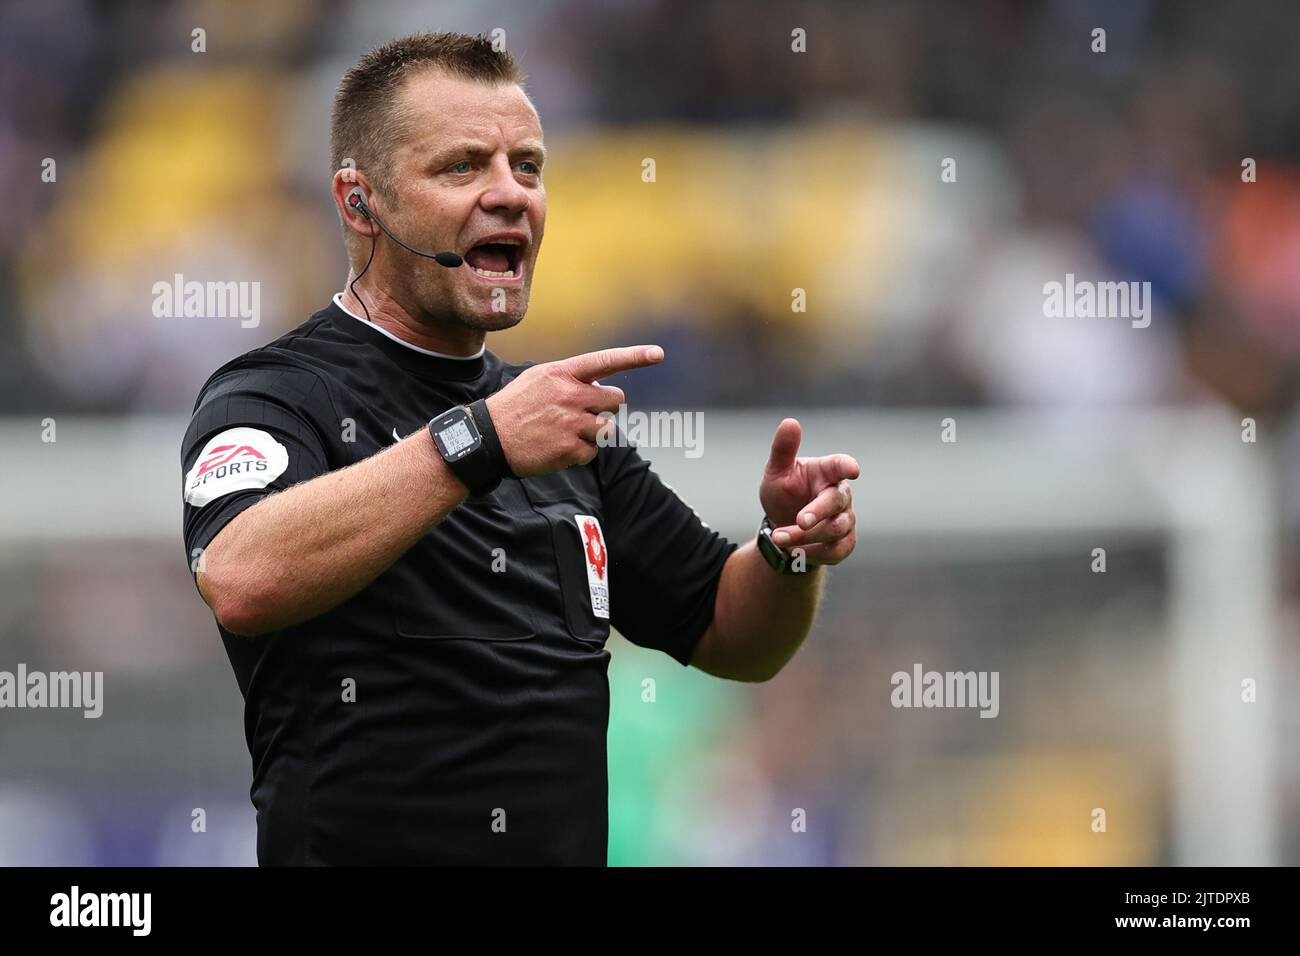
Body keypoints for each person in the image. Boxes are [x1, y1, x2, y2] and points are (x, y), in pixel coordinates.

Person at [180, 31, 858, 865]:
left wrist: (790, 551)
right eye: (463, 167)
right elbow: (240, 575)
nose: (510, 195)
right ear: (361, 203)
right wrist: (478, 443)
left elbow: (727, 630)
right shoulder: (278, 396)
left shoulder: (558, 423)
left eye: (527, 167)